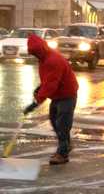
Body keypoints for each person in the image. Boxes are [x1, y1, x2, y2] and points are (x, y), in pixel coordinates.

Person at [24, 34, 79, 165]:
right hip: (57, 95)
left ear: (41, 49)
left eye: (36, 52)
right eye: (33, 53)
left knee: (62, 124)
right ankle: (66, 144)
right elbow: (48, 80)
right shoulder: (43, 59)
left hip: (67, 94)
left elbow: (51, 84)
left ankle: (62, 154)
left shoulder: (52, 60)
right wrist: (40, 87)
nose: (35, 55)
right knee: (54, 120)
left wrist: (36, 102)